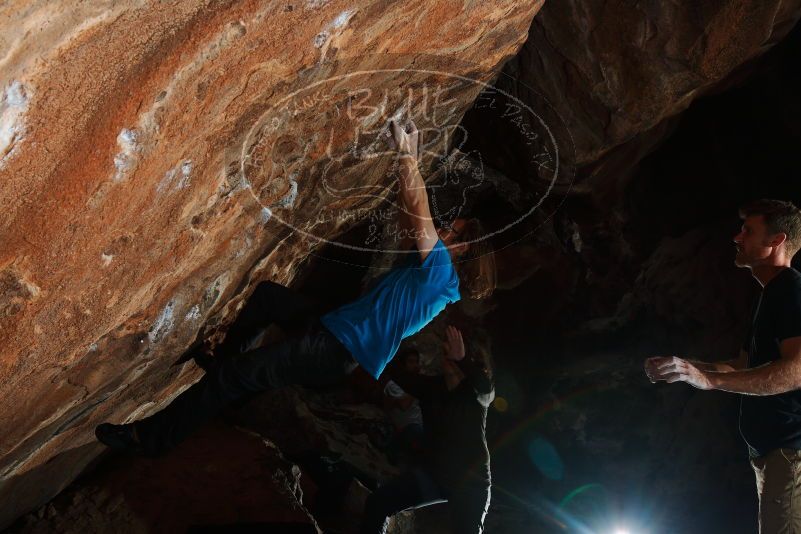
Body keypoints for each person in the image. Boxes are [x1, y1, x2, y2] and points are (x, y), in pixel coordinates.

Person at [95, 118, 497, 457]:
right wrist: (408, 160)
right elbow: (413, 213)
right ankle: (227, 365)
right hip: (334, 328)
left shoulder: (443, 273)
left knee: (231, 379)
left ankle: (149, 439)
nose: (445, 229)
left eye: (453, 231)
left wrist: (407, 154)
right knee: (270, 297)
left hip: (334, 350)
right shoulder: (433, 275)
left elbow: (422, 217)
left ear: (463, 250)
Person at [645, 199, 801, 533]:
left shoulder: (791, 289)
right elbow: (742, 365)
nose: (736, 237)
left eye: (748, 230)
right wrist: (688, 368)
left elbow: (796, 371)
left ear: (776, 241)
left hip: (791, 453)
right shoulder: (769, 295)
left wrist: (710, 382)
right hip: (772, 455)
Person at [361, 325, 494, 534]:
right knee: (378, 502)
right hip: (436, 474)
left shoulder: (476, 394)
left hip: (471, 483)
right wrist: (377, 337)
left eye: (453, 355)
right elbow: (397, 373)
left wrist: (462, 359)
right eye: (446, 353)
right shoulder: (432, 388)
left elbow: (486, 388)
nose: (447, 358)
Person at [382, 348, 425, 463]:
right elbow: (404, 404)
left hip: (418, 427)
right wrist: (417, 382)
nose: (415, 365)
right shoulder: (393, 384)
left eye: (416, 362)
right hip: (405, 427)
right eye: (411, 362)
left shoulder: (415, 383)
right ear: (403, 364)